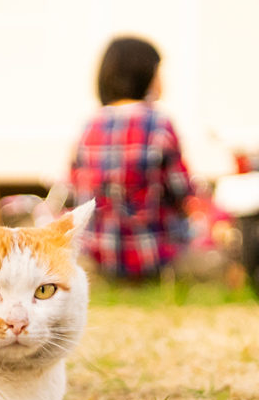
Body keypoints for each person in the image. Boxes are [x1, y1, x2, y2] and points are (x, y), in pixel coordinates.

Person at [69, 36, 196, 279]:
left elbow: (74, 188)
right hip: (153, 256)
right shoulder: (158, 123)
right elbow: (182, 191)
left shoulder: (90, 124)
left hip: (99, 256)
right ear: (143, 75)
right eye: (158, 72)